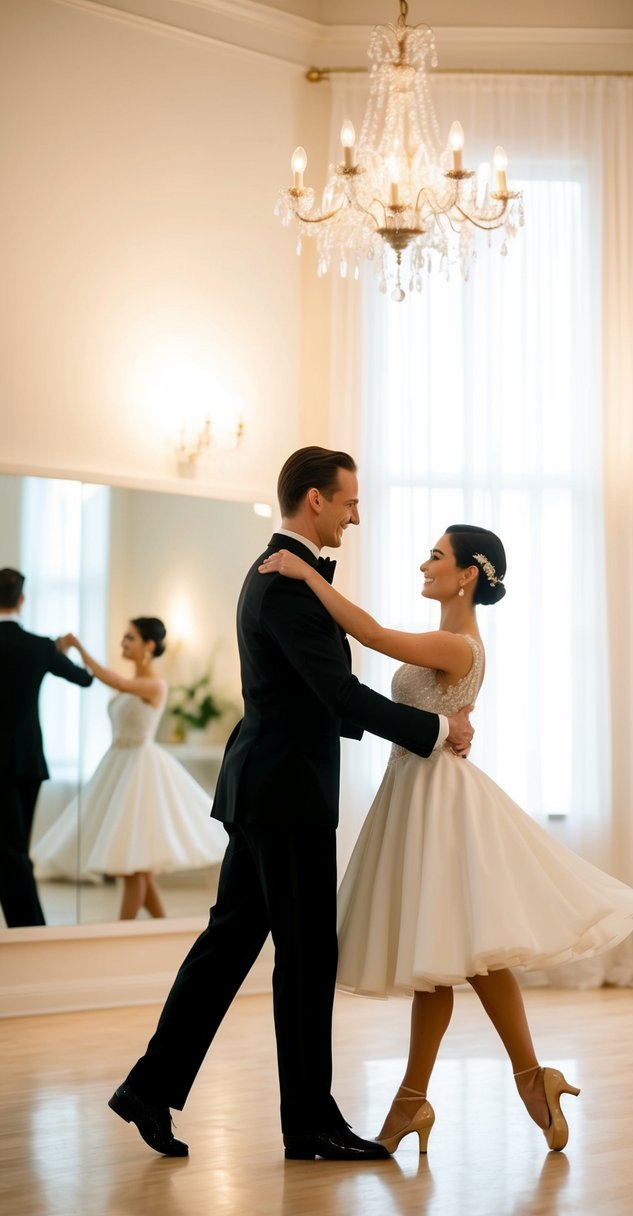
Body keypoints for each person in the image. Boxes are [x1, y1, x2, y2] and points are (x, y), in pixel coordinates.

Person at [109, 447, 474, 1163]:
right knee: (306, 955)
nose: (355, 515)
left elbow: (314, 693)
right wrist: (435, 729)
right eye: (348, 502)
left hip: (265, 787)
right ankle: (308, 1123)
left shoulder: (283, 576)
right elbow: (338, 694)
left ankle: (149, 1087)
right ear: (315, 501)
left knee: (230, 945)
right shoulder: (283, 586)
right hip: (284, 794)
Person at [261, 524, 633, 1153]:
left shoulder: (460, 644)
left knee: (462, 953)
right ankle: (470, 1091)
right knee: (445, 956)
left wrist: (308, 577)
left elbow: (375, 636)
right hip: (415, 792)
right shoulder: (446, 640)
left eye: (436, 555)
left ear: (467, 573)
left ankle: (481, 1088)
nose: (425, 563)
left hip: (440, 803)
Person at [31, 618, 227, 920]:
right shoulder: (134, 682)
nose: (124, 644)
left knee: (135, 866)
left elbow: (117, 682)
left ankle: (124, 930)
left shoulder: (154, 684)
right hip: (118, 766)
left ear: (149, 646)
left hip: (140, 771)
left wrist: (80, 648)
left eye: (130, 638)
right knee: (137, 868)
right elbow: (120, 684)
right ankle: (160, 927)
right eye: (124, 638)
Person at [0, 566, 93, 928]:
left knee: (10, 849)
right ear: (22, 600)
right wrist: (68, 646)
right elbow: (84, 679)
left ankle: (29, 929)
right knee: (15, 846)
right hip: (29, 762)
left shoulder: (37, 645)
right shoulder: (39, 646)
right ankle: (30, 928)